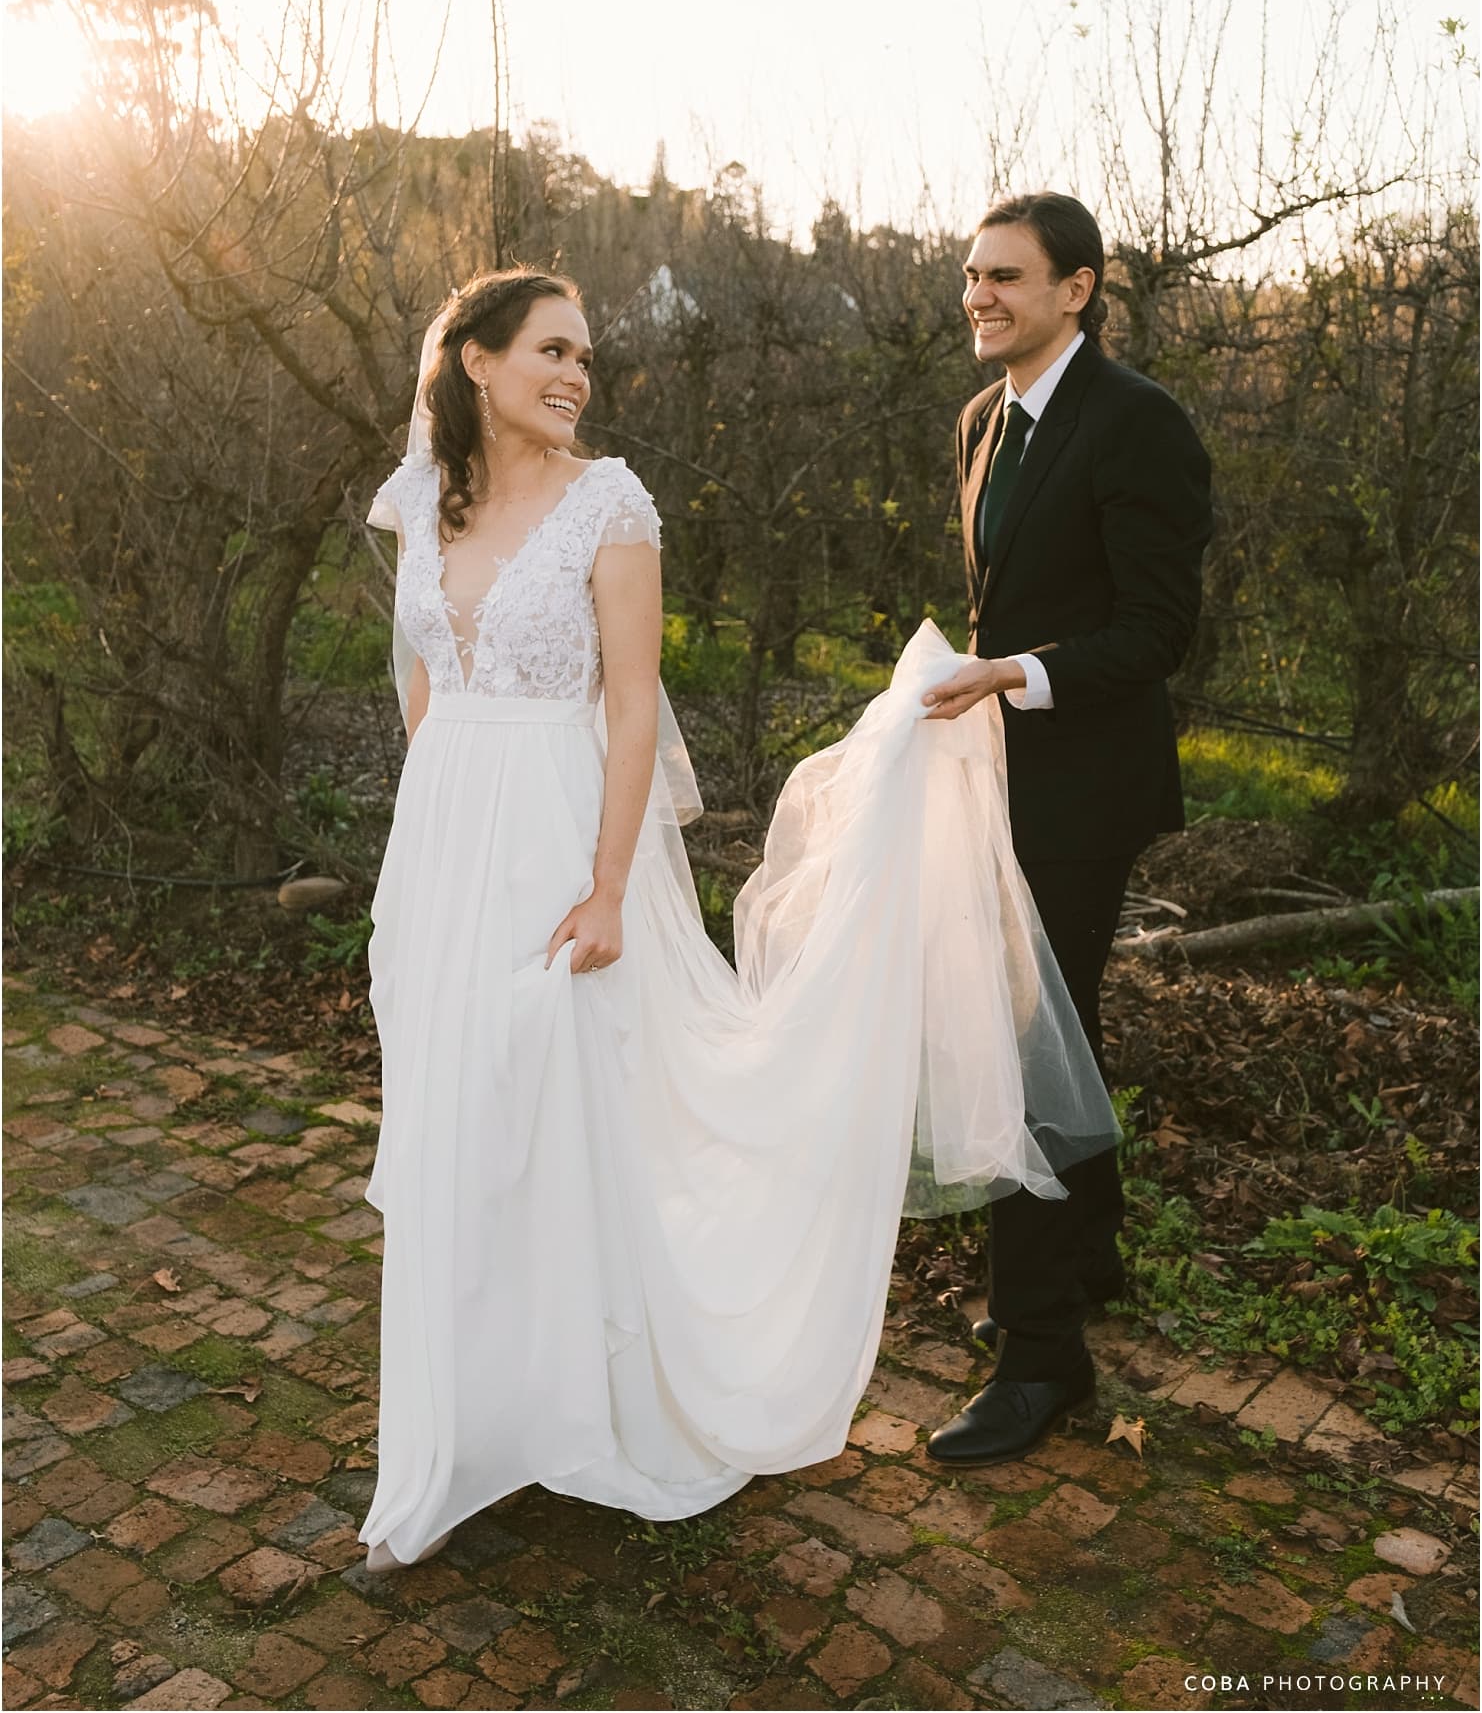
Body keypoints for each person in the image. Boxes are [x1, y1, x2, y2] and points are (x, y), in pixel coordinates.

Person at [355, 264, 1120, 1567]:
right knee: (458, 1121)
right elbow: (425, 685)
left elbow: (636, 707)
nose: (575, 375)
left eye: (587, 357)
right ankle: (464, 1422)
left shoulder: (612, 501)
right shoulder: (425, 501)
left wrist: (605, 885)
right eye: (550, 348)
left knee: (569, 1114)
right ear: (473, 359)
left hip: (559, 832)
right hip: (441, 846)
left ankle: (597, 1407)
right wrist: (419, 856)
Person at [919, 192, 1213, 1465]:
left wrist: (1014, 673)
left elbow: (1157, 634)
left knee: (1023, 1037)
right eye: (973, 275)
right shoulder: (982, 420)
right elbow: (1010, 594)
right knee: (1059, 1016)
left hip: (1089, 786)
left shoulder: (1140, 425)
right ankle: (1086, 1258)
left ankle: (1042, 1358)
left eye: (1008, 277)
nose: (981, 295)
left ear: (1078, 289)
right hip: (1001, 775)